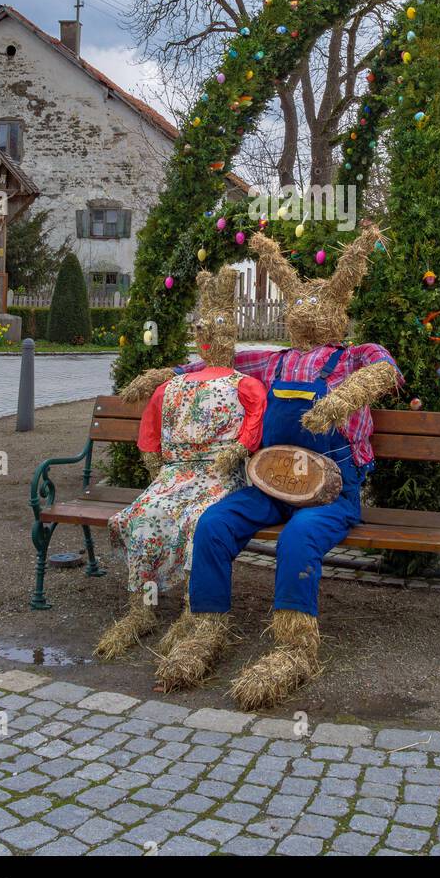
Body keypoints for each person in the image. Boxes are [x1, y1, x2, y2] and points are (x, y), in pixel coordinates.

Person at [155, 224, 402, 709]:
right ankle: (206, 627)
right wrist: (168, 377)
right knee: (214, 524)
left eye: (318, 304)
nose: (307, 311)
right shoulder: (273, 362)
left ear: (338, 311)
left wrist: (343, 399)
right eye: (299, 304)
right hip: (270, 481)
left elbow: (387, 371)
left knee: (298, 538)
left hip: (331, 489)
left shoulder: (354, 357)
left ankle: (293, 648)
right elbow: (215, 367)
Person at [93, 266, 265, 661]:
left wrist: (237, 450)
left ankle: (194, 611)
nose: (210, 334)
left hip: (220, 476)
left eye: (218, 327)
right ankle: (142, 608)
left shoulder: (245, 384)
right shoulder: (175, 385)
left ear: (230, 333)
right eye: (204, 328)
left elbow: (254, 423)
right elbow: (151, 425)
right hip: (175, 475)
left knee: (197, 523)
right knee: (141, 518)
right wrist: (155, 464)